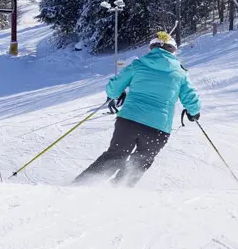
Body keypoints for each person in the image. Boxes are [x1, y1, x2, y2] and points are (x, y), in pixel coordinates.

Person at [75, 31, 201, 188]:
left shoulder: (138, 65)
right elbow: (191, 97)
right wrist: (193, 112)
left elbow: (113, 88)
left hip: (129, 121)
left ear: (152, 48)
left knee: (116, 156)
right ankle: (117, 192)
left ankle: (79, 187)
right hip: (158, 128)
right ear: (173, 50)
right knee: (140, 162)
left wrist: (117, 93)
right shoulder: (180, 73)